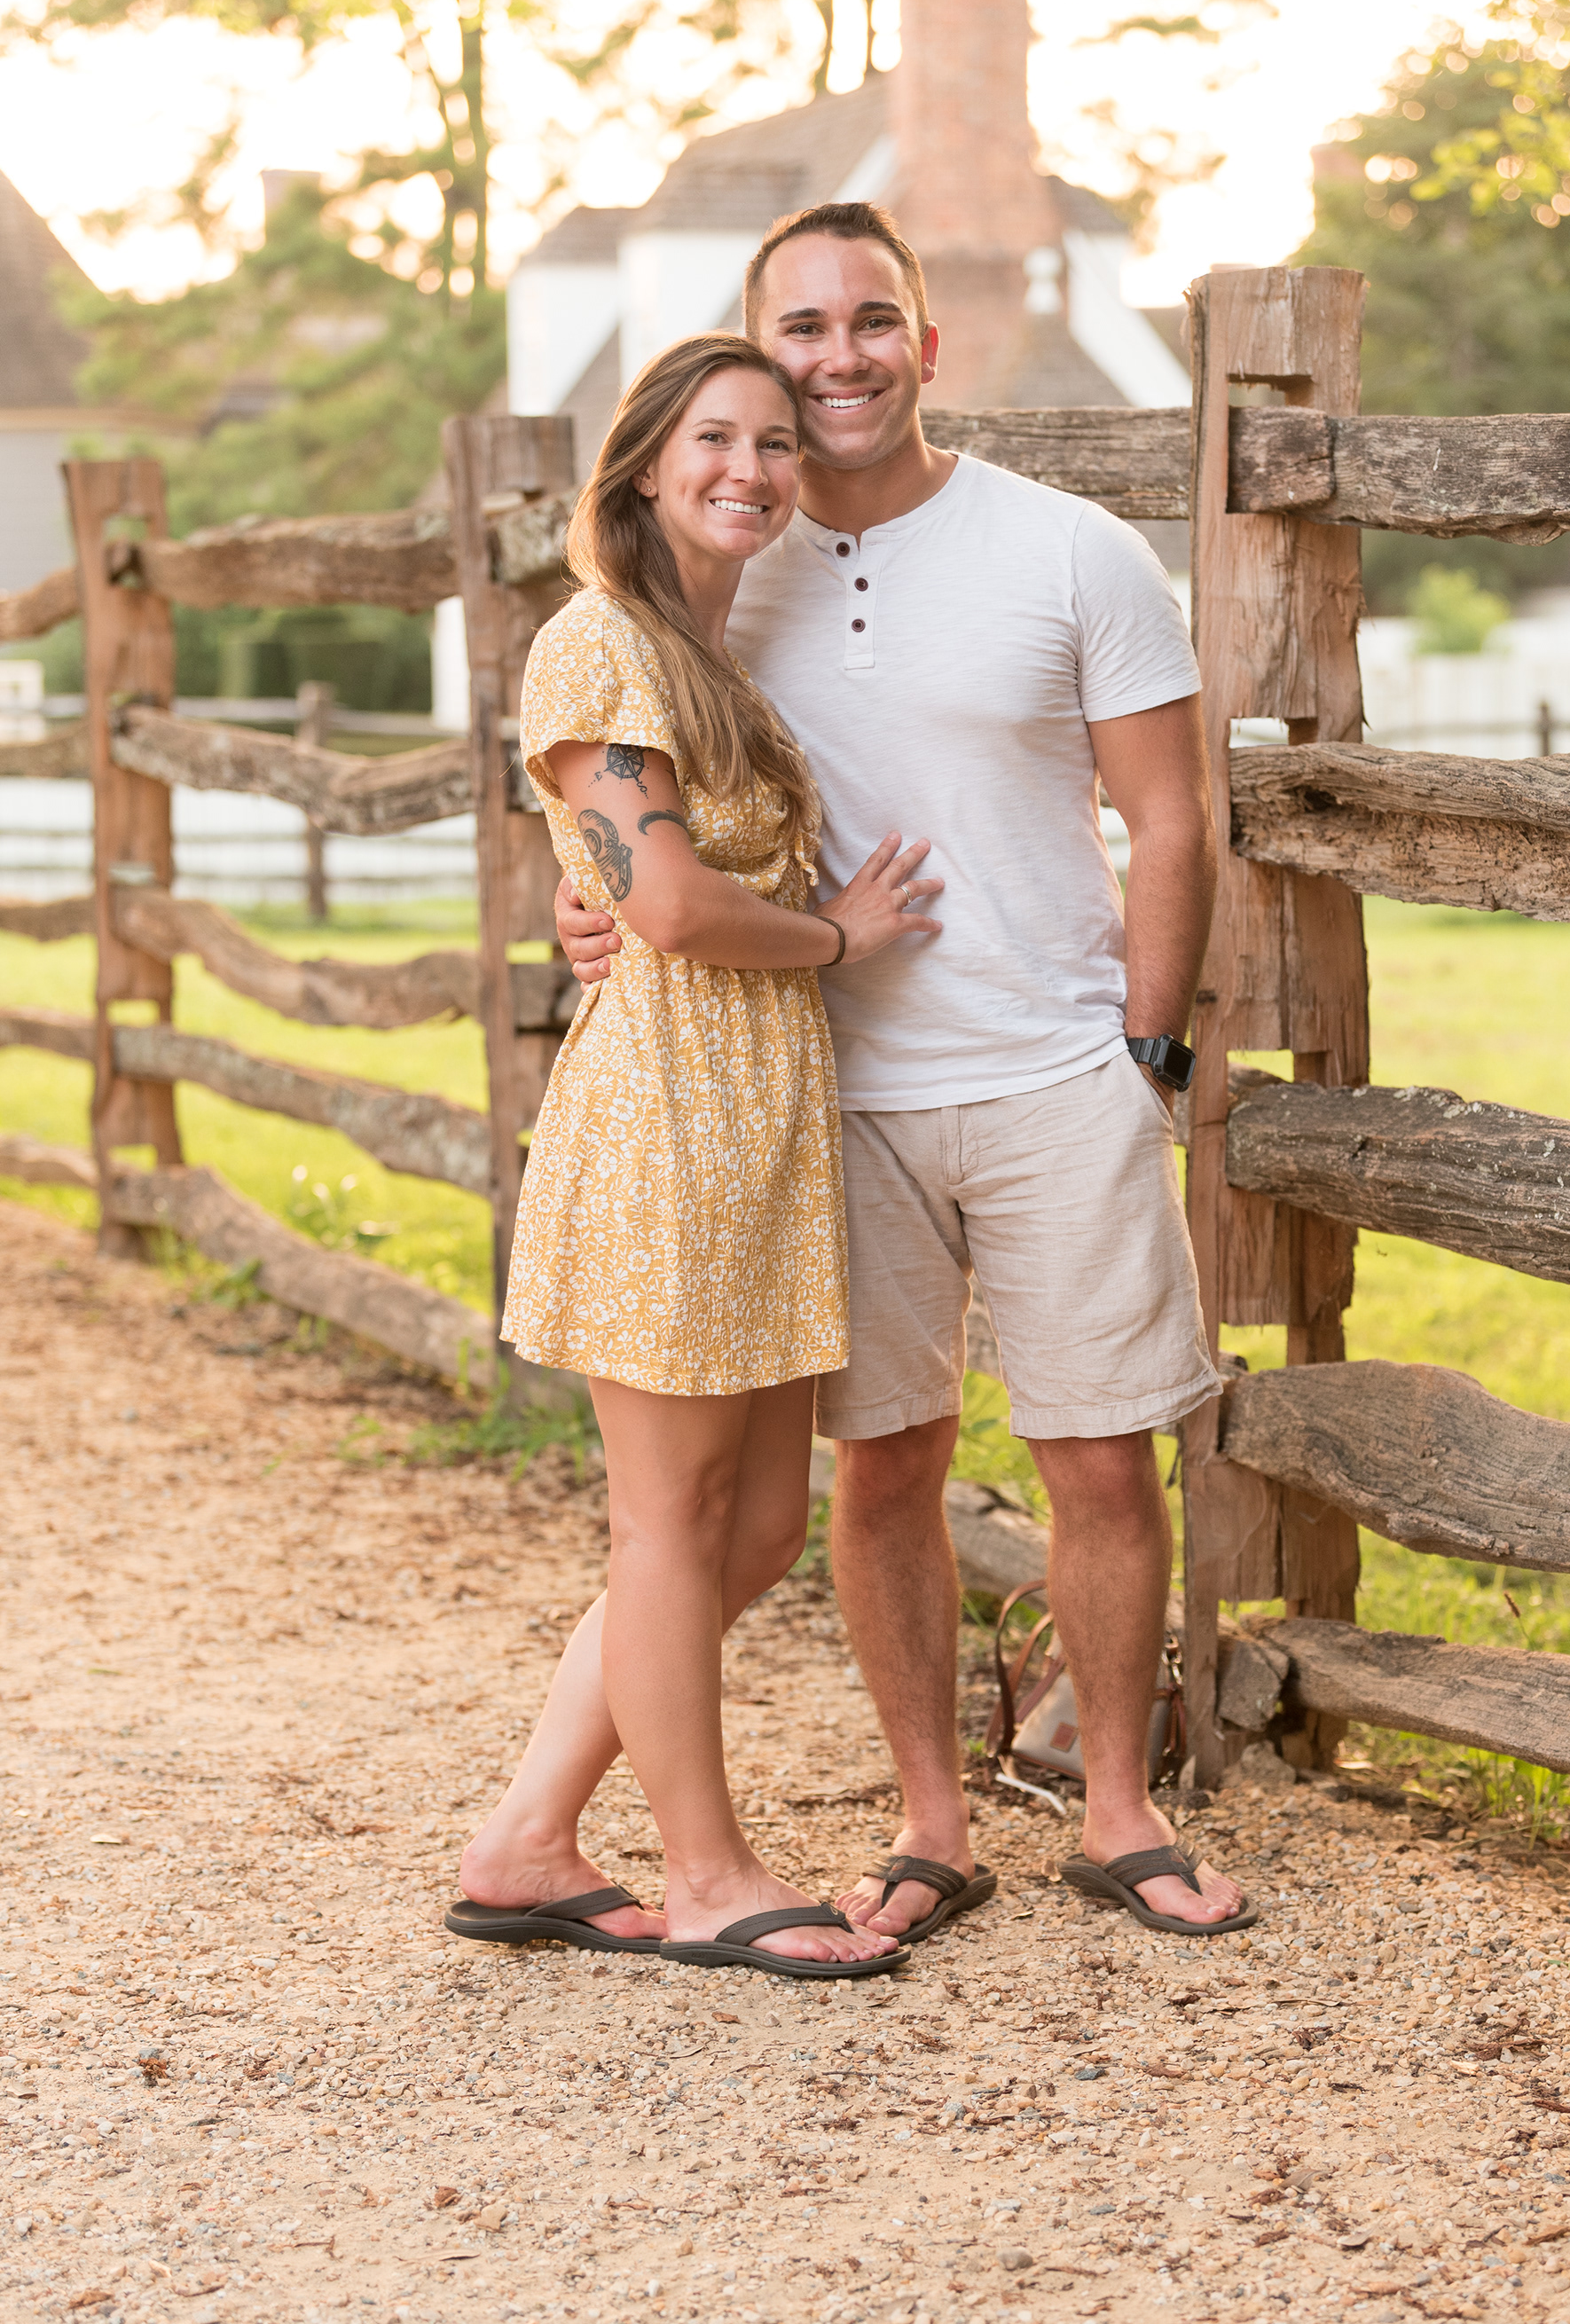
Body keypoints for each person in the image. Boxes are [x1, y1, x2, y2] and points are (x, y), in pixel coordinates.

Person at [561, 200, 1253, 1946]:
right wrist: (605, 911)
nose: (841, 356)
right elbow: (638, 804)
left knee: (1103, 1460)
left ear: (926, 343)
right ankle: (931, 1819)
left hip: (1057, 1067)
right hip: (826, 1094)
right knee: (882, 1466)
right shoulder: (730, 562)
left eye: (872, 319)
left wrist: (1147, 1050)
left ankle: (1118, 1805)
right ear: (758, 356)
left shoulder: (1074, 549)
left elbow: (1171, 815)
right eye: (802, 329)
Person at [448, 331, 944, 1978]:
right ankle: (712, 1872)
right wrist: (837, 933)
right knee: (669, 1523)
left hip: (760, 1123)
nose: (751, 468)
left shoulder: (707, 654)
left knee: (754, 1532)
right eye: (716, 439)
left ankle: (527, 1839)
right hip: (666, 1116)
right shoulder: (600, 642)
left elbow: (636, 881)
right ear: (647, 465)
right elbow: (661, 901)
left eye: (777, 443)